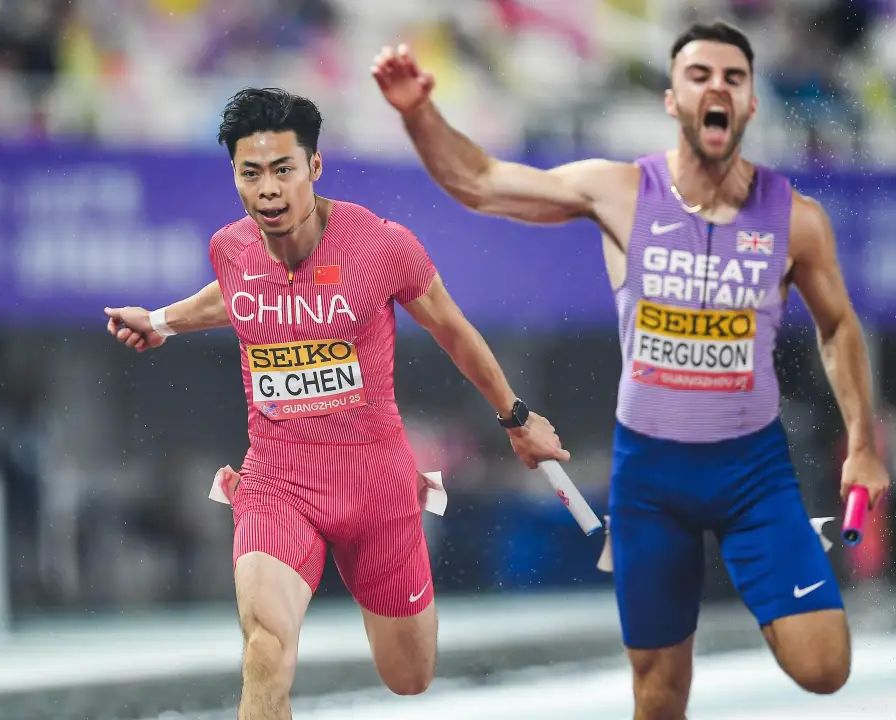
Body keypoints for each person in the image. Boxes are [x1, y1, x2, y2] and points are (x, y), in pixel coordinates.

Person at [372, 19, 891, 720]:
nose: (717, 88)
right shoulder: (621, 191)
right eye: (699, 76)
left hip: (752, 472)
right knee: (658, 692)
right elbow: (483, 182)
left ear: (750, 101)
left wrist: (861, 444)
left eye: (733, 78)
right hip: (652, 478)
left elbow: (839, 326)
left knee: (825, 666)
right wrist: (419, 113)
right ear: (673, 99)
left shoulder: (797, 219)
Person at [103, 87, 569, 720]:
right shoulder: (230, 247)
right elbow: (235, 294)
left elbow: (453, 330)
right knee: (265, 649)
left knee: (409, 676)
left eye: (282, 169)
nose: (268, 189)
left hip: (375, 486)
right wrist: (161, 321)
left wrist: (517, 418)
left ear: (314, 166)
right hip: (278, 481)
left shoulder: (381, 246)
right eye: (250, 173)